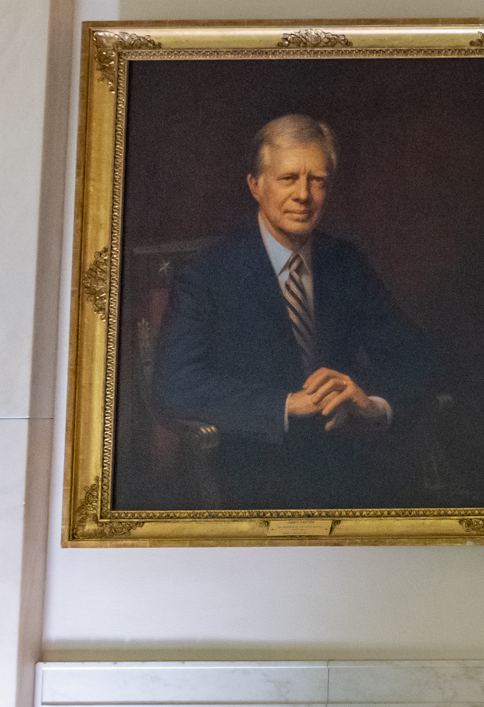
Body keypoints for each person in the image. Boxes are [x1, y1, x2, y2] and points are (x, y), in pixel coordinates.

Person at [153, 115, 433, 508]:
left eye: (316, 180)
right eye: (288, 178)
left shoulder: (345, 262)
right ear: (255, 185)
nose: (304, 194)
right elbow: (174, 386)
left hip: (350, 465)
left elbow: (418, 359)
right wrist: (286, 404)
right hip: (251, 475)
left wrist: (369, 403)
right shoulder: (207, 275)